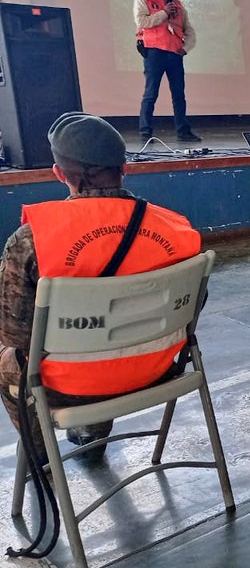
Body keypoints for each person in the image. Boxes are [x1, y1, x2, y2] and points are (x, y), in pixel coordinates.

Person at [0, 113, 201, 461]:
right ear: (124, 167)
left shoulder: (32, 241)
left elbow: (14, 333)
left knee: (8, 356)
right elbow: (193, 308)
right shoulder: (178, 229)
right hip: (158, 371)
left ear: (59, 173)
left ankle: (41, 459)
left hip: (68, 386)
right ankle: (93, 434)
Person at [135, 0, 202, 143]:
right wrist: (164, 13)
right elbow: (142, 22)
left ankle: (183, 131)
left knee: (179, 95)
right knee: (151, 93)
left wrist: (185, 48)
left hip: (174, 53)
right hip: (154, 52)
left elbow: (189, 30)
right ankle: (145, 132)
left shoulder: (177, 4)